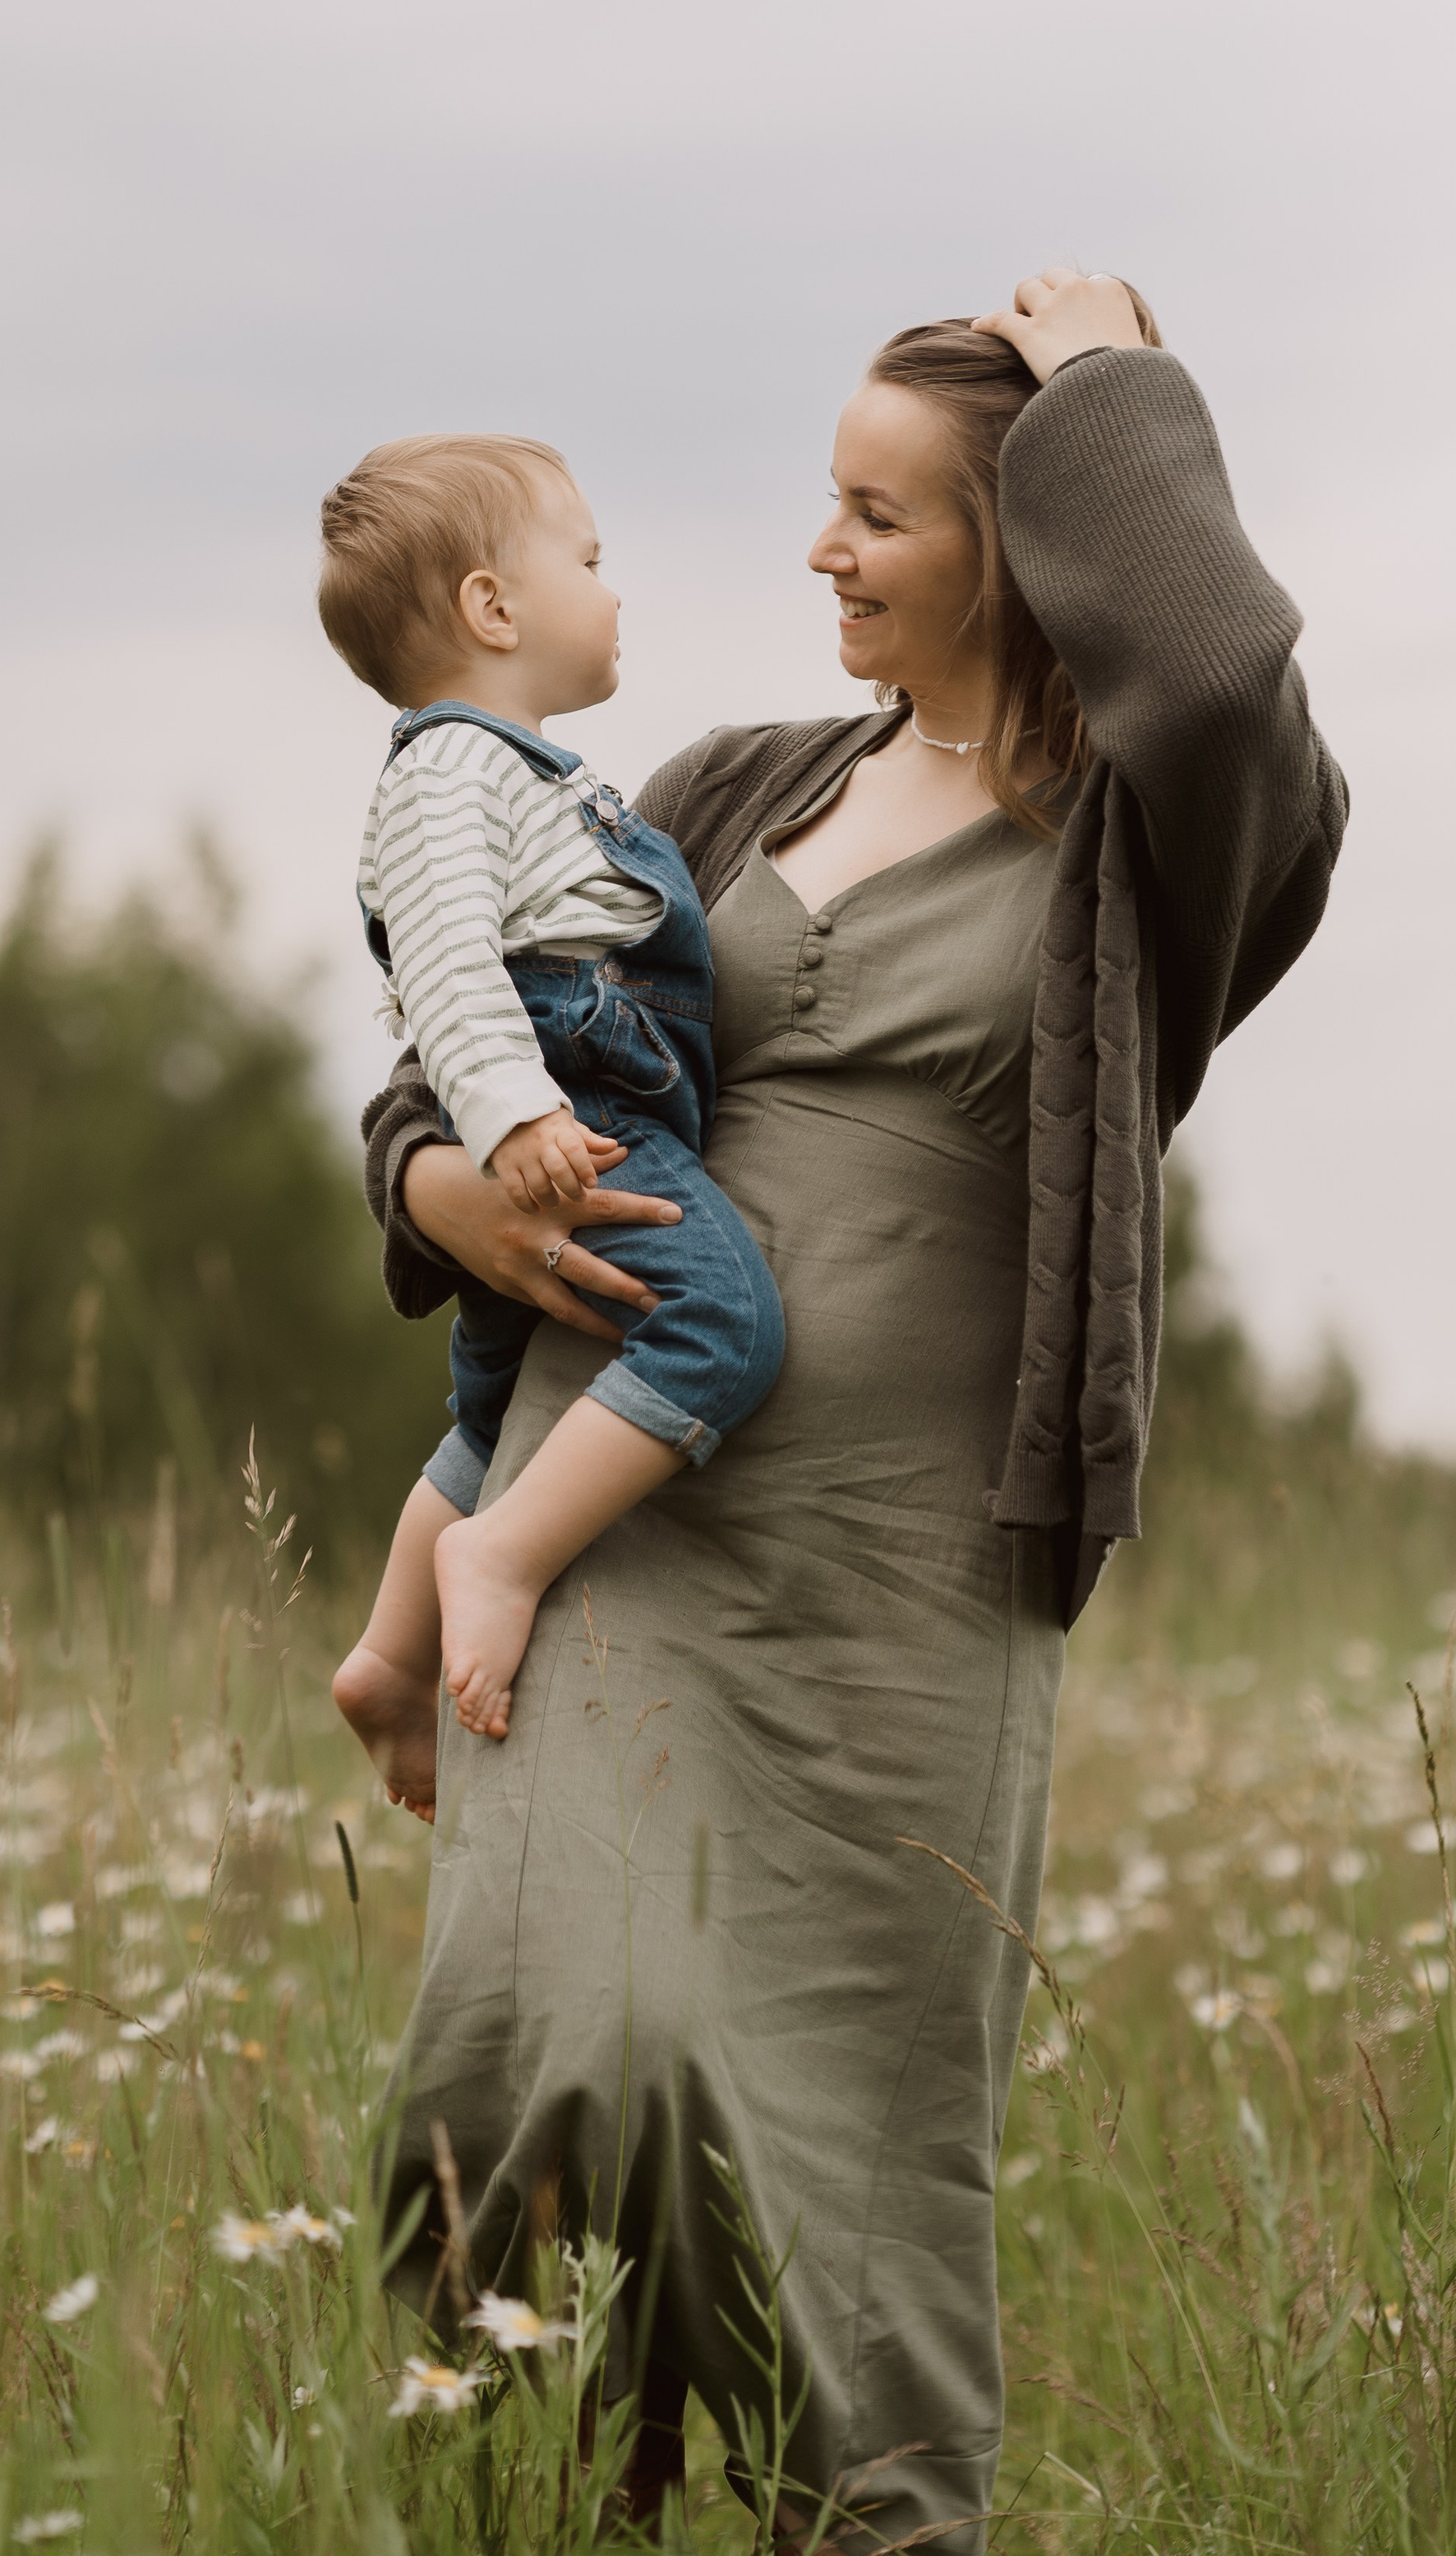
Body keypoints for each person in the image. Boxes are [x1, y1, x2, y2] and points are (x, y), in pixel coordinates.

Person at [361, 271, 1348, 2550]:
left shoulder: (1157, 849)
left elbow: (1214, 670)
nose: (822, 550)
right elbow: (452, 1030)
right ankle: (533, 2505)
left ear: (1019, 542)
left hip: (899, 1575)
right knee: (528, 2058)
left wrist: (1116, 387)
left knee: (843, 2145)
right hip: (613, 1514)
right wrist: (441, 1187)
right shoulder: (725, 790)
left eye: (878, 513)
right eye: (828, 502)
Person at [318, 431, 785, 1819]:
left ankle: (390, 1659)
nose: (613, 590)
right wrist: (516, 1117)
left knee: (495, 1396)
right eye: (588, 561)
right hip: (574, 1104)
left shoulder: (520, 773)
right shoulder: (454, 769)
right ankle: (504, 1558)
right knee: (723, 1325)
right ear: (492, 609)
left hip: (580, 1091)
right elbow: (452, 963)